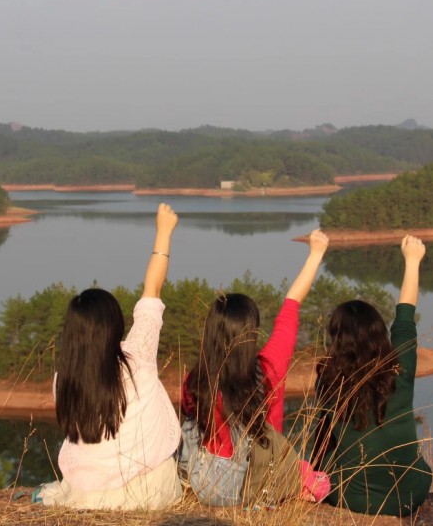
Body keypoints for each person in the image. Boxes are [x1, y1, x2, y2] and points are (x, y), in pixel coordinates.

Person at [33, 203, 182, 509]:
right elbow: (152, 289)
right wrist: (164, 231)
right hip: (147, 492)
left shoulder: (64, 379)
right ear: (115, 326)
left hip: (87, 493)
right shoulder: (137, 356)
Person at [179, 229, 331, 506]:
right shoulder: (268, 369)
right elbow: (292, 305)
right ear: (252, 332)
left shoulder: (195, 380)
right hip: (256, 483)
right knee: (317, 479)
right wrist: (316, 254)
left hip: (204, 483)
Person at [310, 234, 433, 517]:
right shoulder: (398, 370)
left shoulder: (329, 380)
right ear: (380, 333)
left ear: (336, 338)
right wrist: (412, 261)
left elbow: (323, 440)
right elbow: (405, 317)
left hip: (355, 499)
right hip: (412, 494)